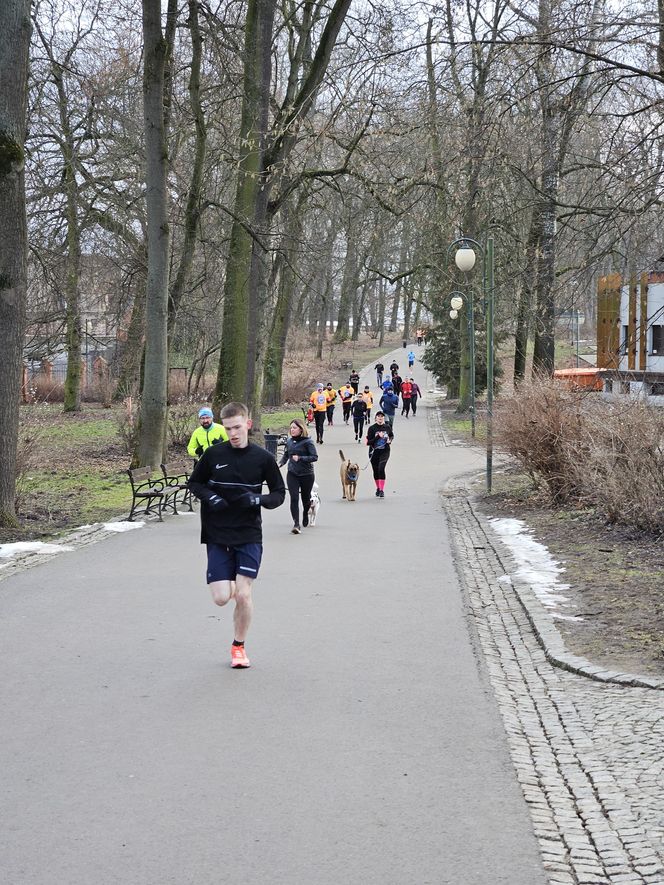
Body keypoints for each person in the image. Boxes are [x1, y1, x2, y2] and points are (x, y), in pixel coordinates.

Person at [188, 402, 286, 669]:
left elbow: (279, 494)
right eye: (228, 428)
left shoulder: (263, 459)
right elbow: (194, 483)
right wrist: (212, 498)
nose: (233, 433)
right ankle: (228, 581)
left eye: (237, 427)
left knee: (243, 595)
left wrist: (257, 500)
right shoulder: (212, 455)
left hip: (248, 533)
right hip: (217, 533)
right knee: (221, 598)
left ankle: (238, 647)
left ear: (248, 425)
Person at [278, 418, 318, 534]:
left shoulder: (308, 442)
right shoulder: (289, 441)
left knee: (305, 499)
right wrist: (280, 463)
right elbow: (286, 455)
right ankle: (296, 524)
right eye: (290, 428)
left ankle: (305, 513)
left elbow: (314, 457)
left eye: (294, 428)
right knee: (294, 498)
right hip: (292, 474)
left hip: (307, 475)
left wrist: (300, 458)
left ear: (301, 429)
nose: (292, 430)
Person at [366, 411, 393, 498]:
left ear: (384, 418)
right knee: (376, 471)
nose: (380, 418)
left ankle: (381, 490)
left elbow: (391, 435)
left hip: (385, 451)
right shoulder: (372, 428)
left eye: (382, 416)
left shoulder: (387, 427)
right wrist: (378, 436)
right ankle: (378, 488)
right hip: (374, 452)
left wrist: (390, 440)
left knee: (381, 468)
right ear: (376, 418)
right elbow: (368, 442)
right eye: (378, 416)